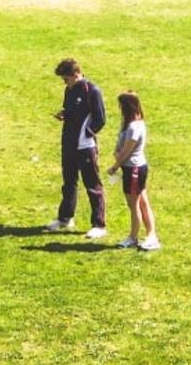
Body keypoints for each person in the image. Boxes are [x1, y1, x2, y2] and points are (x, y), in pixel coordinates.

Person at [46, 58, 108, 239]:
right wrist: (63, 114)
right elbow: (70, 109)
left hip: (85, 146)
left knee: (92, 185)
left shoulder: (92, 91)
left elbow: (100, 118)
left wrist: (88, 133)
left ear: (75, 74)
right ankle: (65, 218)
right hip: (68, 144)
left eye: (66, 79)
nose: (65, 83)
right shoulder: (69, 90)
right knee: (69, 183)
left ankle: (99, 224)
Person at [106, 91, 160, 251]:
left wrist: (114, 167)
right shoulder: (131, 124)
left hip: (134, 169)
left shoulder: (134, 127)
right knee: (142, 202)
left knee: (134, 204)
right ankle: (150, 235)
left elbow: (126, 151)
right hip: (133, 168)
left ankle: (133, 237)